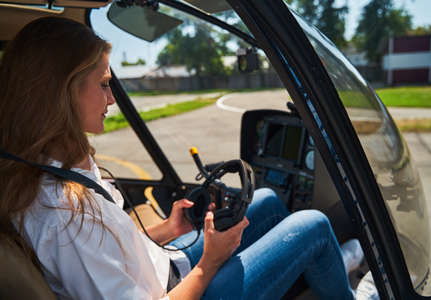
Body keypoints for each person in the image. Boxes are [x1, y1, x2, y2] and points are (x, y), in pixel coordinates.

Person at [0, 17, 355, 300]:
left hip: (169, 269)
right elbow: (91, 248)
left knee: (267, 200)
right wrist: (209, 264)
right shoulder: (63, 218)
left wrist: (167, 230)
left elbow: (109, 252)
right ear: (63, 94)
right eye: (104, 84)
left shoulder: (60, 165)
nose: (111, 100)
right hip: (182, 290)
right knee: (313, 226)